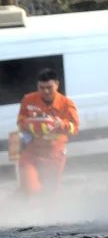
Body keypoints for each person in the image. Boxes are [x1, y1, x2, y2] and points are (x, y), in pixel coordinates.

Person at [16, 69, 79, 197]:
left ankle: (51, 215)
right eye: (42, 87)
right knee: (30, 188)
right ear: (37, 86)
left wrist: (60, 124)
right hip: (31, 150)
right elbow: (20, 121)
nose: (45, 91)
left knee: (51, 191)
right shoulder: (28, 100)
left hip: (54, 152)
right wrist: (29, 123)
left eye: (49, 87)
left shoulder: (67, 104)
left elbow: (75, 128)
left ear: (57, 85)